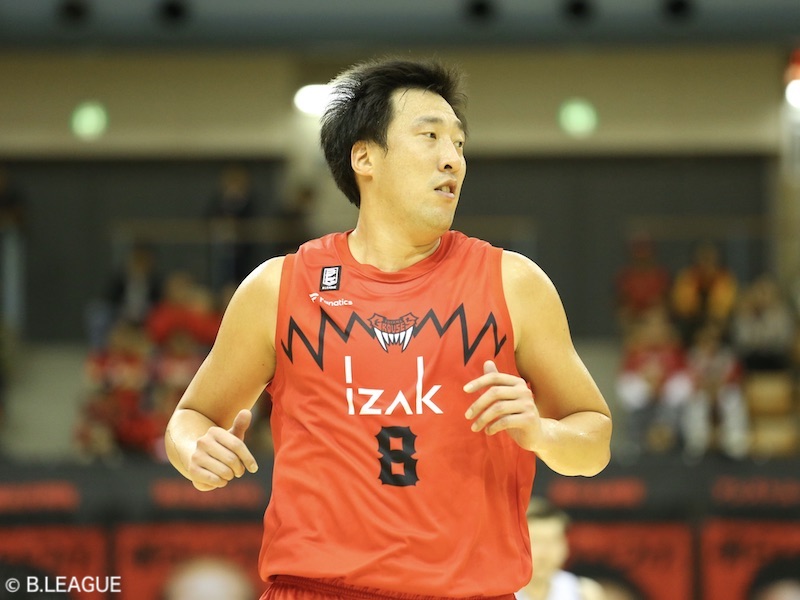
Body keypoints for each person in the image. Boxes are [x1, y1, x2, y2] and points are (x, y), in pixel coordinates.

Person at [165, 58, 612, 600]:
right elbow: (191, 417)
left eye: (459, 144)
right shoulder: (279, 286)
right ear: (365, 157)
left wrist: (541, 434)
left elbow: (594, 439)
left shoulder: (514, 282)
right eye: (430, 136)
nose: (453, 159)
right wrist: (195, 451)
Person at [516, 498, 605, 600]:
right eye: (536, 541)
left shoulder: (584, 592)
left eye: (553, 541)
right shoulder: (505, 592)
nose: (544, 552)